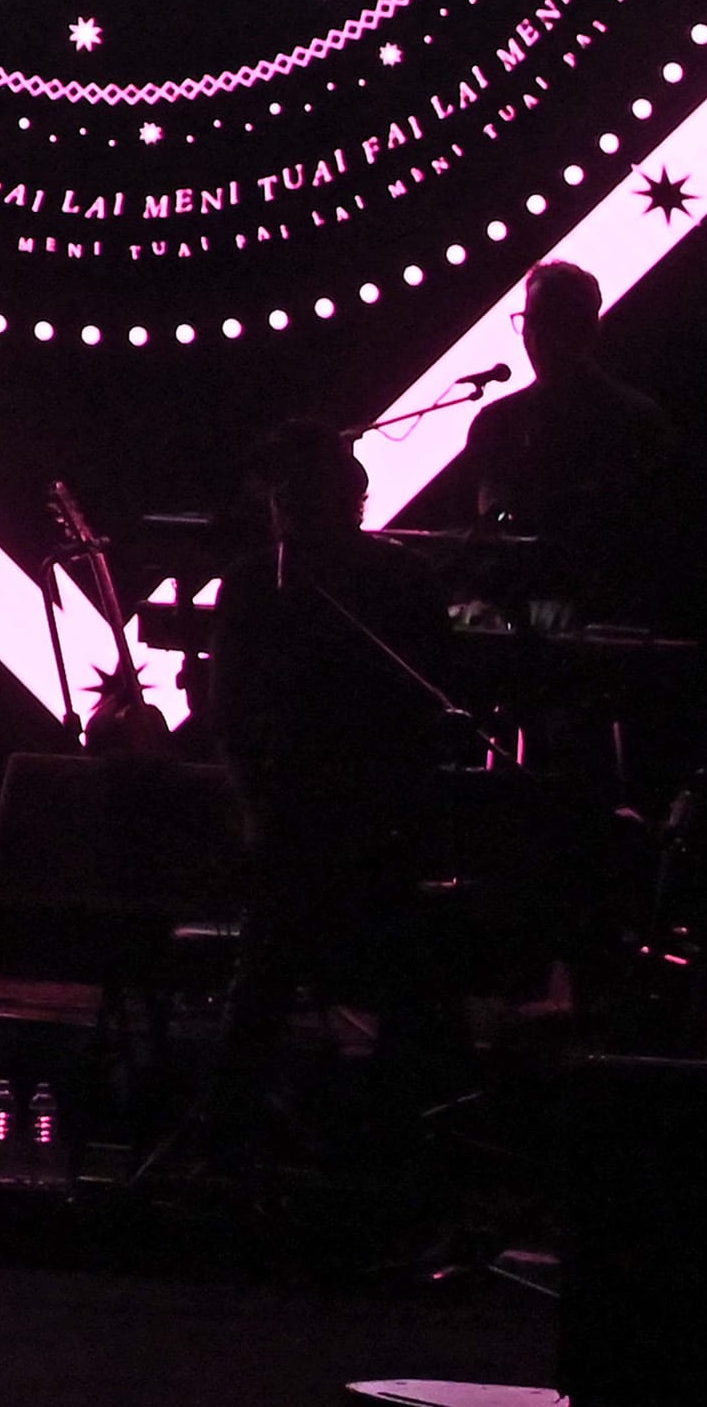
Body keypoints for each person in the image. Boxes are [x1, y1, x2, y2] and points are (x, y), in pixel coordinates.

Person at [202, 418, 465, 1159]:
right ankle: (404, 1134)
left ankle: (233, 1129)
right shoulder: (395, 576)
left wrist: (257, 802)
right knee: (388, 970)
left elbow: (232, 711)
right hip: (356, 812)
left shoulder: (260, 581)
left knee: (271, 971)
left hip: (320, 811)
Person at [467, 262, 682, 620]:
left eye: (549, 321)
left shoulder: (634, 421)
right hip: (515, 607)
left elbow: (646, 536)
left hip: (604, 609)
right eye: (530, 321)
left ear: (585, 328)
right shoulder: (495, 422)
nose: (534, 336)